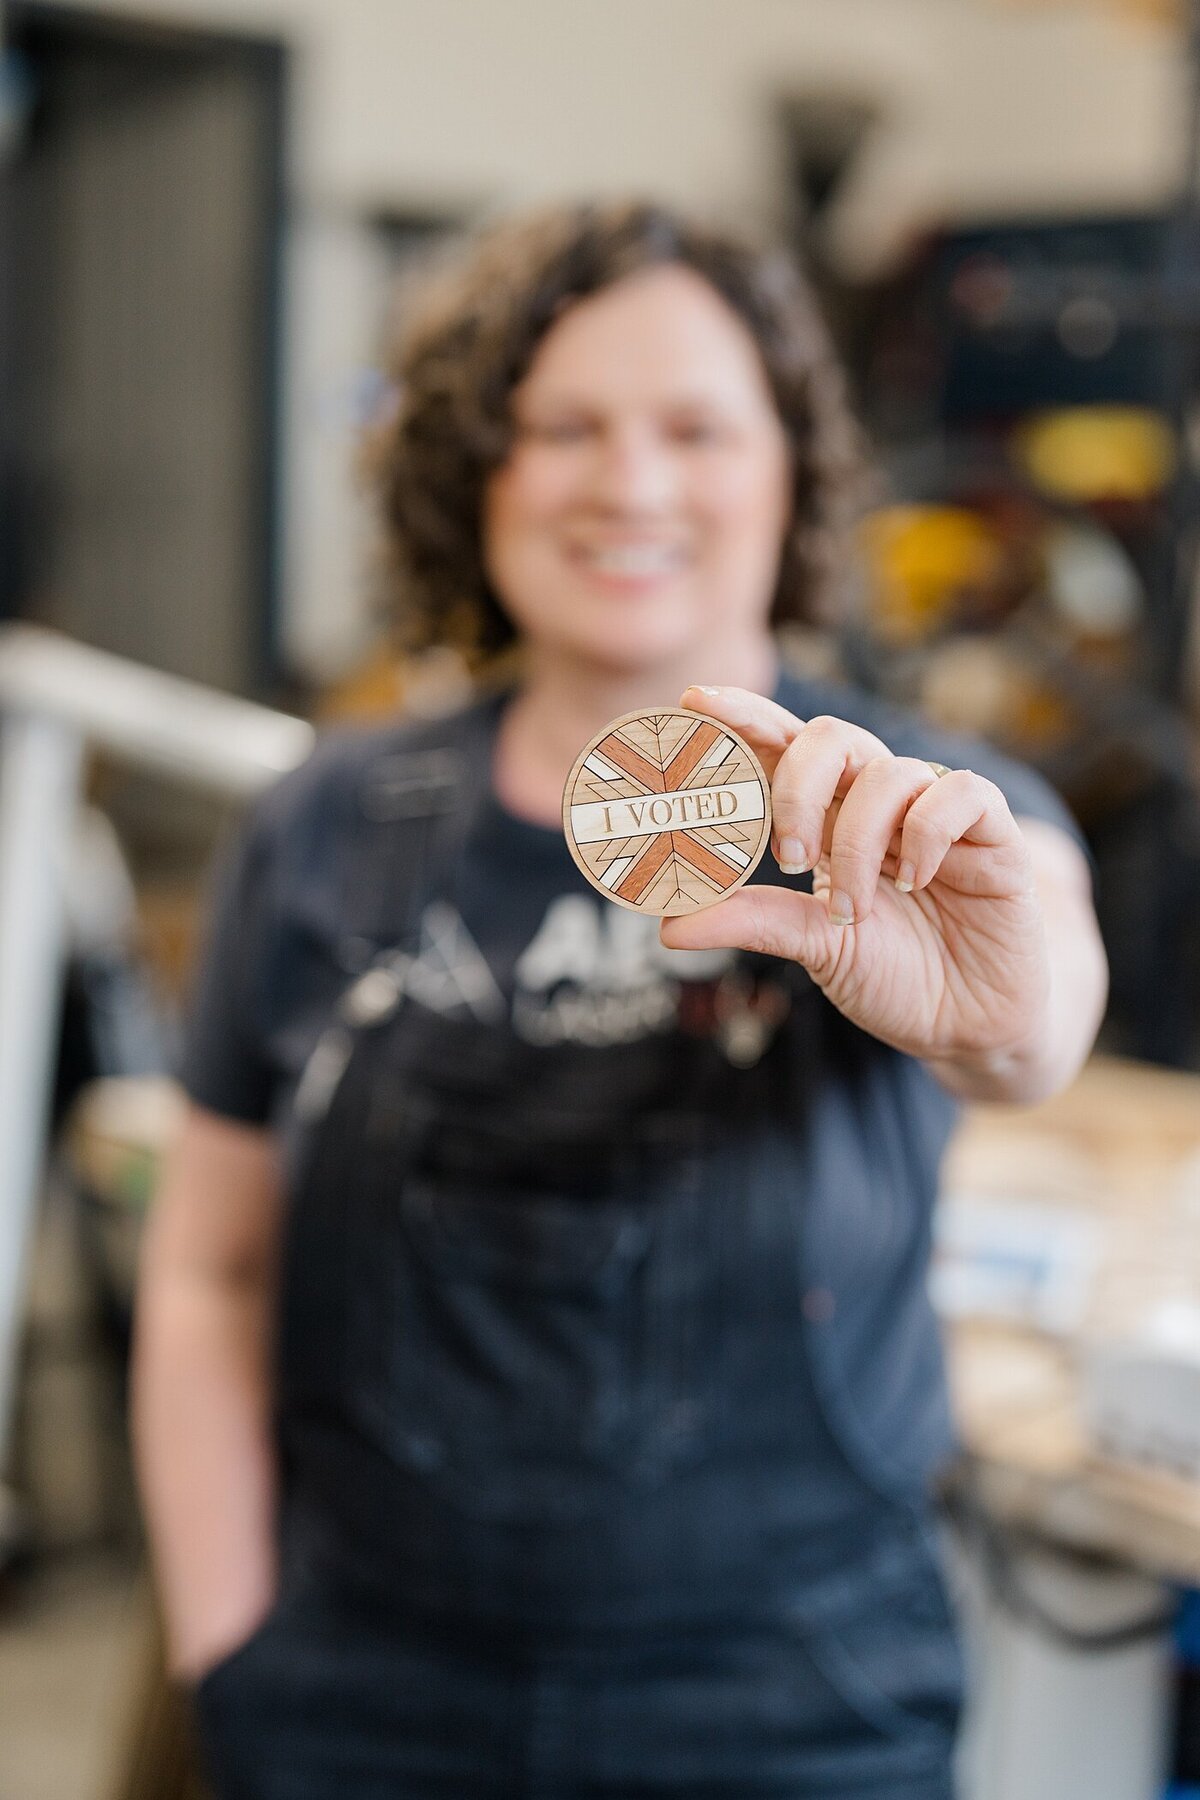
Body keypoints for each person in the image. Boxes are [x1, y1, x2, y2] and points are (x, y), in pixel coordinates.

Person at [132, 201, 1108, 1799]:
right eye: (564, 427)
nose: (632, 482)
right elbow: (208, 1271)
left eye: (696, 429)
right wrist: (229, 1645)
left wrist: (995, 1007)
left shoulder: (931, 813)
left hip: (797, 1703)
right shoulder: (317, 824)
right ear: (473, 474)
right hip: (359, 1695)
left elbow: (1038, 1010)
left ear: (790, 469)